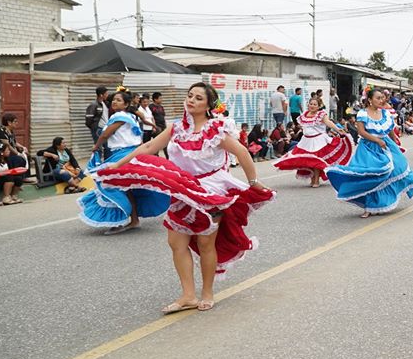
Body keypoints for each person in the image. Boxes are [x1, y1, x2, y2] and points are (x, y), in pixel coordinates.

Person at [96, 82, 274, 313]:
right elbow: (149, 146)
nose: (191, 100)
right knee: (176, 243)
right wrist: (118, 165)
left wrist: (253, 182)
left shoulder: (215, 129)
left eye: (198, 98)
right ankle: (188, 295)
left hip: (211, 191)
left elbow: (241, 151)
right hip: (181, 189)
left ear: (209, 105)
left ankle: (207, 293)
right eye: (190, 96)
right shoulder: (177, 128)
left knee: (205, 242)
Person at [79, 91, 171, 235]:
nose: (114, 102)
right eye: (113, 100)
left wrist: (96, 146)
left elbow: (105, 134)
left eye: (118, 100)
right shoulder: (131, 116)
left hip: (122, 155)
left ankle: (119, 220)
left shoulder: (118, 116)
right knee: (126, 188)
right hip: (131, 153)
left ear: (126, 104)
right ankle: (133, 220)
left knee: (111, 184)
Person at [326, 88, 413, 218]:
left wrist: (395, 144)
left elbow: (390, 130)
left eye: (382, 98)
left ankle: (380, 203)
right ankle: (368, 207)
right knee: (370, 176)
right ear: (370, 100)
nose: (381, 100)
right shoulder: (363, 114)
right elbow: (361, 132)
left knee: (397, 169)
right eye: (378, 98)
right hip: (368, 148)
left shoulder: (385, 114)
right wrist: (377, 140)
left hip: (385, 145)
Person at [274, 98, 353, 187]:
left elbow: (328, 122)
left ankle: (316, 180)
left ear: (319, 106)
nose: (312, 106)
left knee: (316, 160)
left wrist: (338, 129)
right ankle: (313, 179)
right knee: (308, 161)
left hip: (318, 141)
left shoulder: (321, 114)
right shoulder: (304, 115)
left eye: (315, 104)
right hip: (306, 141)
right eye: (311, 104)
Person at [0, 113, 32, 180]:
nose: (17, 123)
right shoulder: (2, 132)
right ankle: (17, 177)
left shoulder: (10, 131)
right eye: (15, 121)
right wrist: (18, 154)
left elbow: (14, 143)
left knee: (26, 155)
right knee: (19, 159)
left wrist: (23, 147)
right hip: (4, 155)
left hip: (11, 152)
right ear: (9, 123)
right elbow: (8, 145)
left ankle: (24, 176)